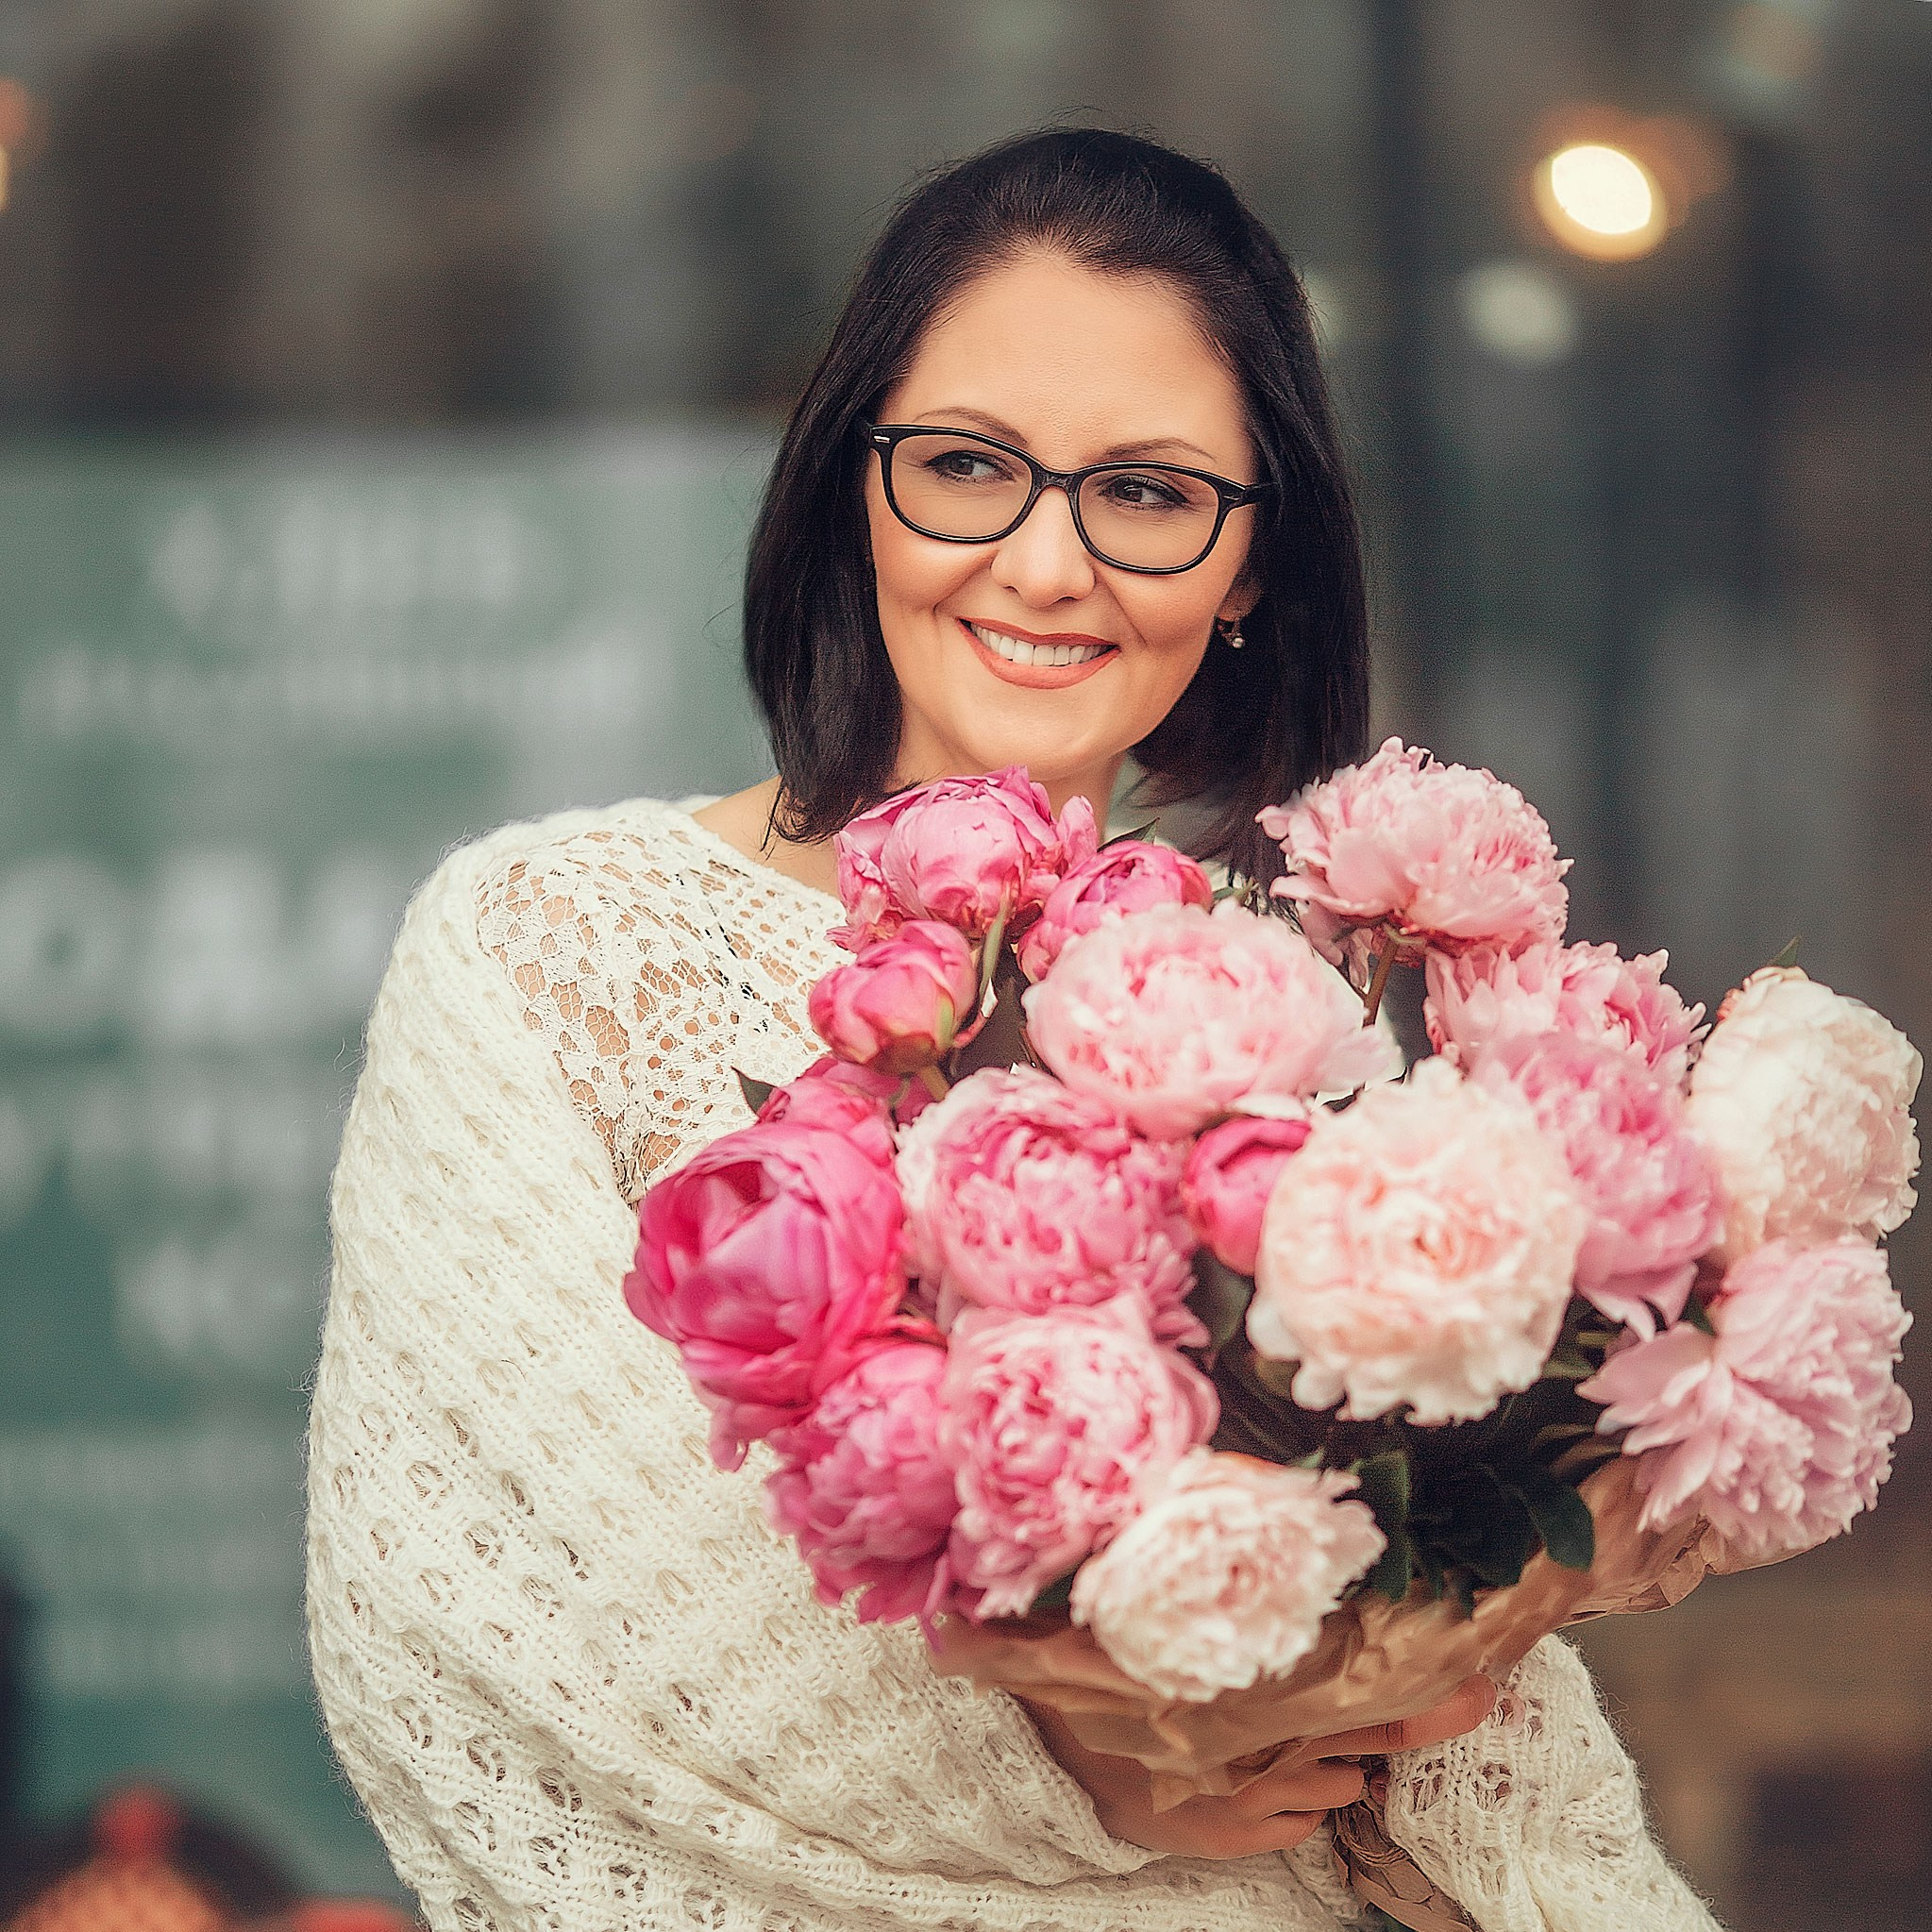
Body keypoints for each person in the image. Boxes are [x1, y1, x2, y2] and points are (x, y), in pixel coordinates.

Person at [307, 129, 1720, 1931]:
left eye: (1148, 492)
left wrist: (1385, 1676)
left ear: (1252, 567)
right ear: (855, 488)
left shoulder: (1316, 1013)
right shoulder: (546, 949)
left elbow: (1448, 1617)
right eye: (967, 466)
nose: (1046, 565)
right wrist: (1077, 1774)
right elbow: (471, 1656)